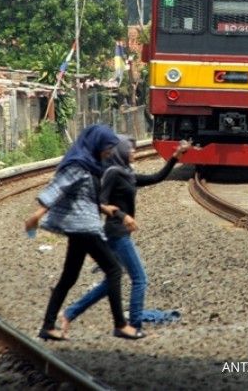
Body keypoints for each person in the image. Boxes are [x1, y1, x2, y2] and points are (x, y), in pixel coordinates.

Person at [61, 136, 191, 337]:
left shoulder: (127, 174)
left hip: (119, 234)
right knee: (139, 279)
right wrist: (122, 216)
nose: (134, 152)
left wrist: (175, 157)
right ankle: (135, 326)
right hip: (116, 233)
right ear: (121, 152)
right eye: (130, 149)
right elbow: (100, 202)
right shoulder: (112, 174)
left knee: (110, 282)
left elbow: (156, 177)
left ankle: (69, 313)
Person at [24, 124, 142, 341]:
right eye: (107, 147)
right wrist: (36, 215)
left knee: (69, 277)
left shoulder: (92, 165)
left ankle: (48, 326)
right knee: (114, 270)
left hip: (82, 226)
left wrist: (107, 208)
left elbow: (90, 196)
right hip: (84, 227)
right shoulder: (78, 165)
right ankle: (121, 325)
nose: (110, 152)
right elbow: (57, 188)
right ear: (96, 143)